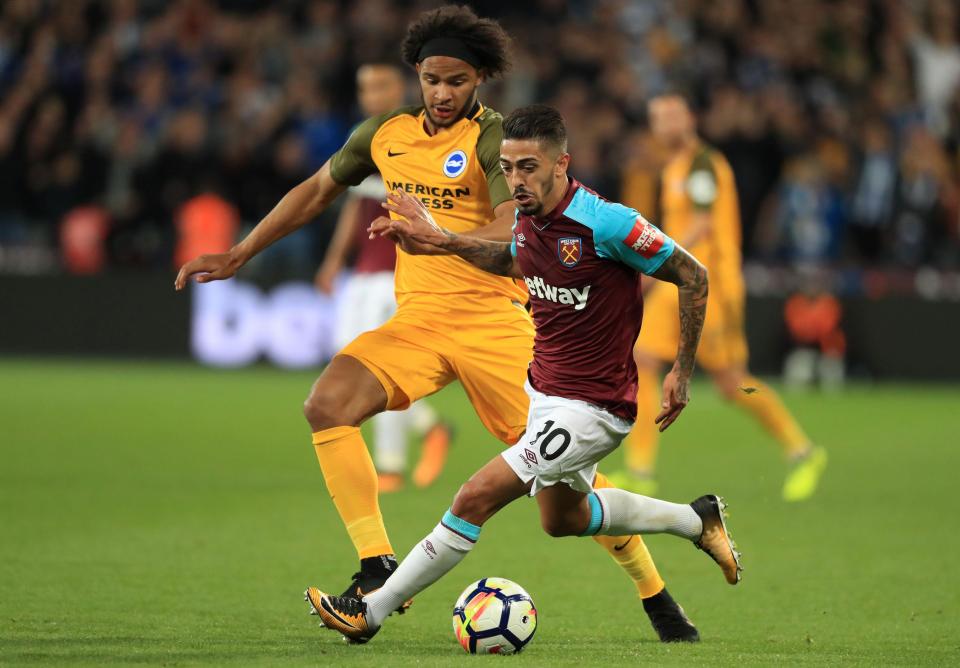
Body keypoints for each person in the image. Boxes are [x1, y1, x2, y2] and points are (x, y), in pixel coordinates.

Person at [175, 6, 695, 641]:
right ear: (416, 77)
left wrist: (436, 235)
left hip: (498, 324)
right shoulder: (384, 134)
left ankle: (656, 594)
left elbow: (514, 230)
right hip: (418, 322)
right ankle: (375, 566)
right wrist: (239, 252)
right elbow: (315, 191)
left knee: (558, 480)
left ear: (479, 80)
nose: (443, 94)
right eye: (431, 80)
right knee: (327, 404)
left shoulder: (495, 140)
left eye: (457, 81)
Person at [306, 105, 741, 644]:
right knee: (562, 519)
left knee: (474, 497)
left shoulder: (607, 222)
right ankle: (696, 520)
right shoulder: (531, 221)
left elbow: (693, 275)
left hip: (595, 408)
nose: (516, 180)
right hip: (544, 393)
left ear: (563, 164)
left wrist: (682, 368)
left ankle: (371, 610)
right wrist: (440, 239)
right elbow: (514, 260)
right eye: (508, 168)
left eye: (528, 167)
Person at [608, 95, 827, 502]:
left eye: (671, 115)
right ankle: (640, 469)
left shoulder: (704, 163)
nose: (664, 124)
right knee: (642, 359)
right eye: (657, 118)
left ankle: (803, 451)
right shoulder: (673, 167)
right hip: (679, 281)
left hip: (710, 286)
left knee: (732, 384)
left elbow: (703, 223)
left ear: (690, 118)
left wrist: (658, 258)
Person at [314, 62, 451, 493]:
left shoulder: (418, 134)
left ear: (402, 87)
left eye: (380, 86)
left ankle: (390, 465)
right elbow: (355, 205)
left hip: (399, 271)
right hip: (362, 272)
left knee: (381, 367)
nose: (372, 94)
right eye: (365, 87)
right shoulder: (366, 134)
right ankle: (430, 426)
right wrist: (334, 260)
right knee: (346, 361)